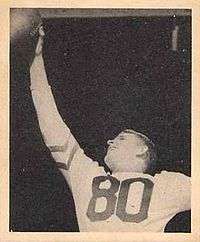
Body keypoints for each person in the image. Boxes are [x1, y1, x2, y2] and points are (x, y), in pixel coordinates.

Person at [30, 26, 191, 232]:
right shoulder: (86, 176)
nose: (109, 141)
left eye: (122, 138)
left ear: (142, 150)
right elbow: (50, 123)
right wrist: (35, 59)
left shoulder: (169, 185)